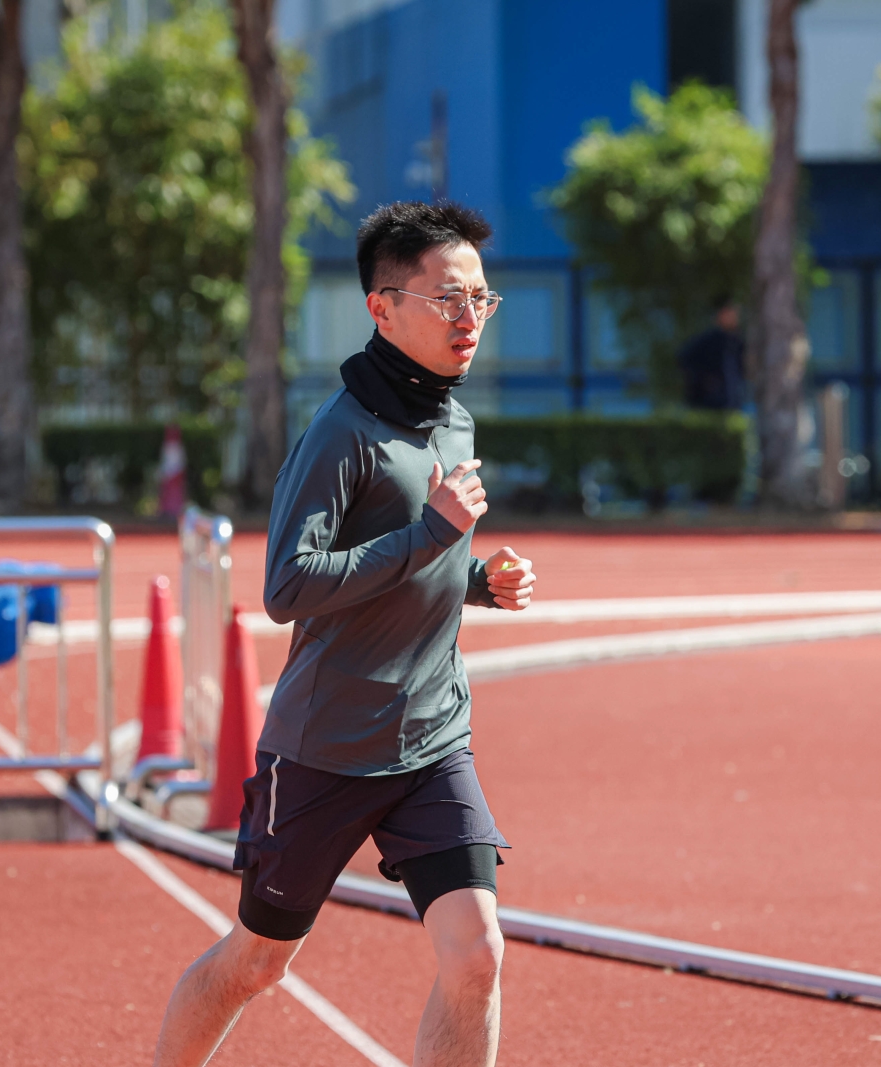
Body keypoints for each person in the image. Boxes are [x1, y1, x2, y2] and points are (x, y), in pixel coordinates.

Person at [151, 201, 534, 1067]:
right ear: (382, 308)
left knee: (478, 953)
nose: (470, 316)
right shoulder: (340, 434)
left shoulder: (453, 419)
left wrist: (478, 579)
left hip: (432, 737)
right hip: (325, 750)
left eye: (481, 297)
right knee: (258, 962)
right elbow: (289, 586)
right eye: (448, 298)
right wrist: (431, 535)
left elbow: (421, 557)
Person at [676, 300, 745, 410]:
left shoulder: (736, 342)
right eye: (730, 314)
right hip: (706, 401)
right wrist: (705, 380)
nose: (734, 317)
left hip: (730, 399)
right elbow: (684, 357)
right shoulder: (708, 339)